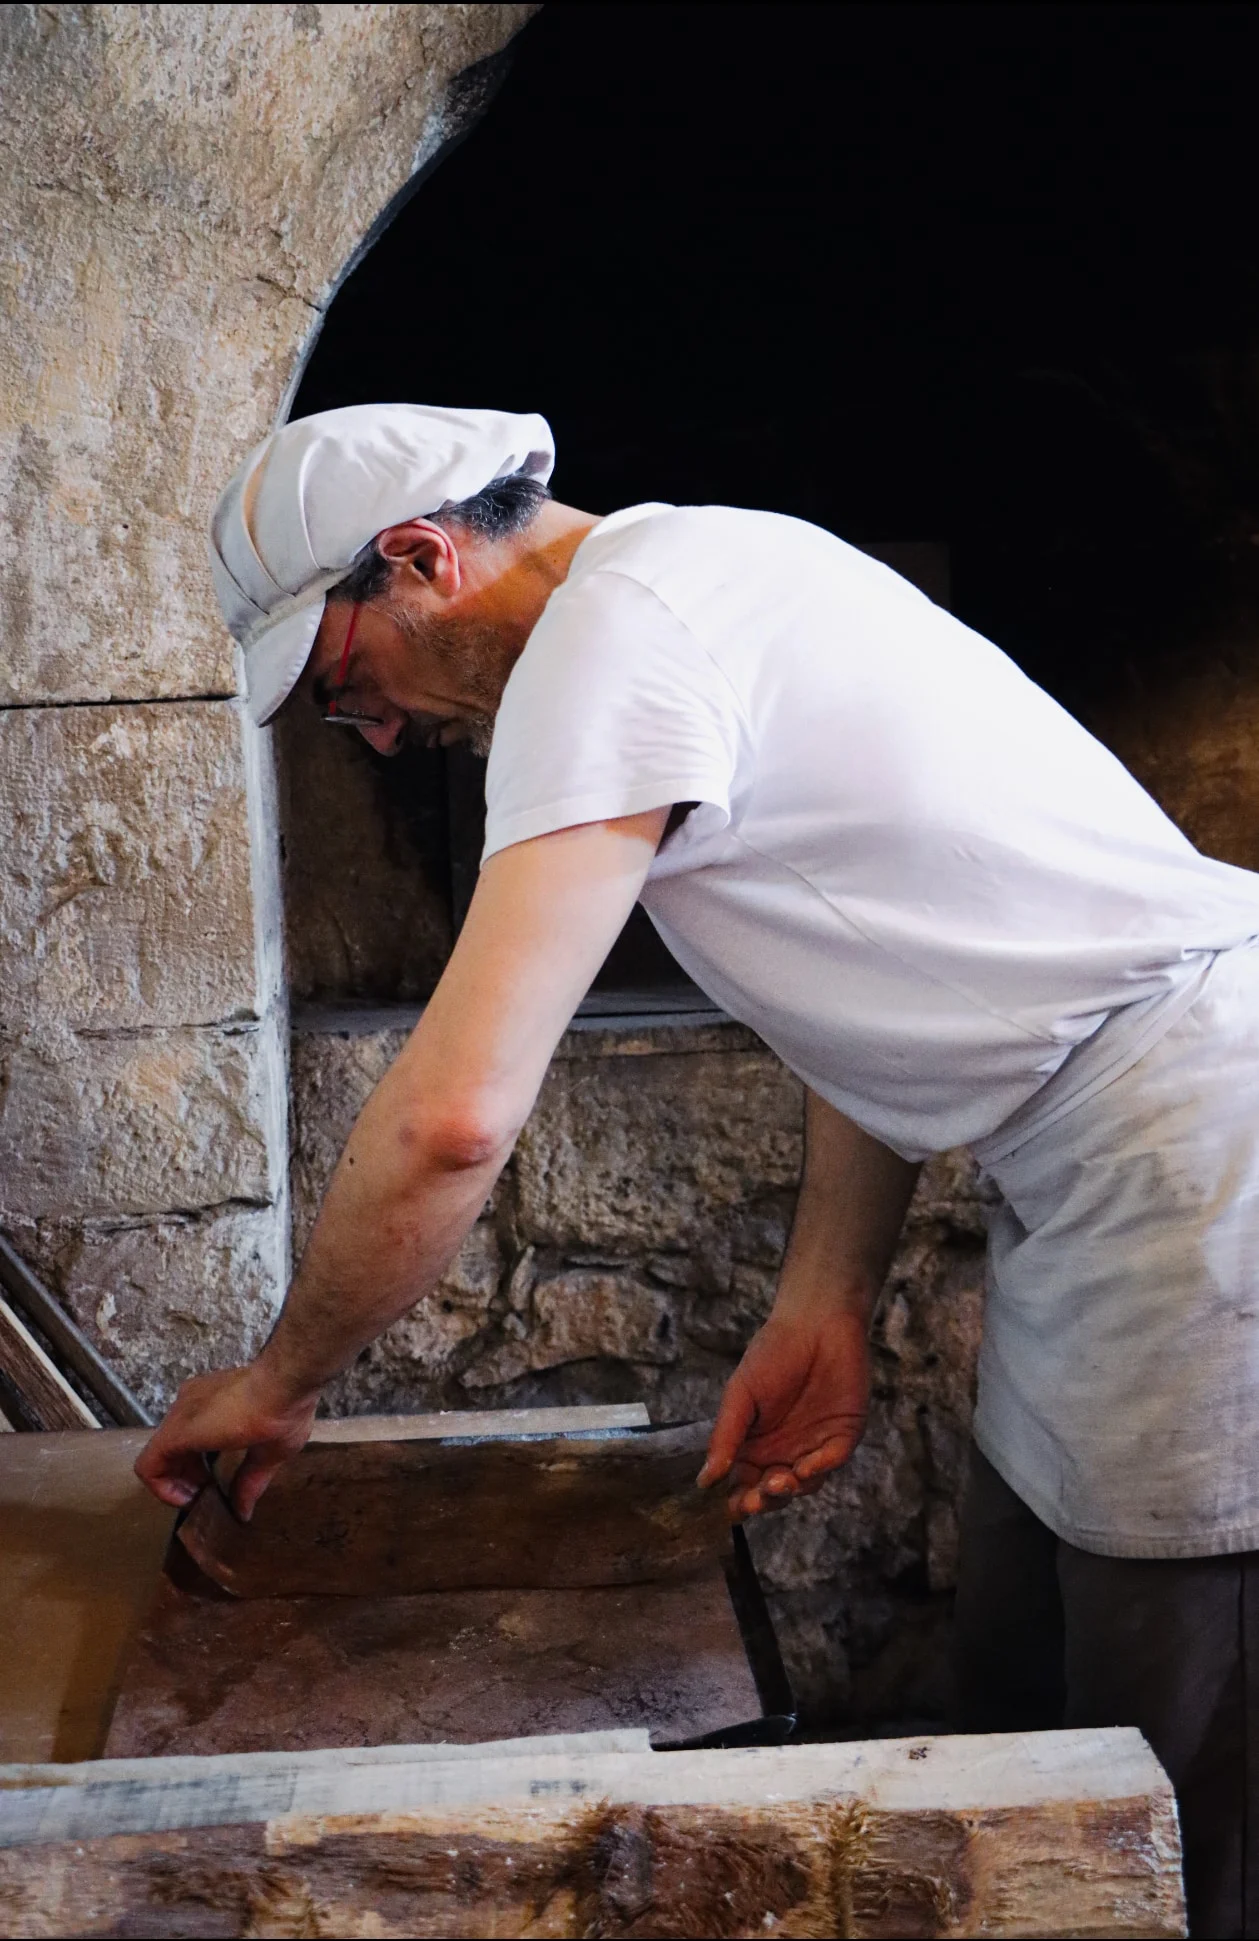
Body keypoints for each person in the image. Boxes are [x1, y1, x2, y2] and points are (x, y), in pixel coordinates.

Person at [139, 403, 1259, 1935]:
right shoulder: (710, 564)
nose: (378, 733)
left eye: (347, 686)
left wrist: (280, 1383)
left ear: (418, 559)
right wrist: (824, 1299)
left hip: (1201, 1156)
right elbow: (874, 979)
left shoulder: (606, 648)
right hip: (1097, 1172)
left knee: (1164, 1779)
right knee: (1025, 1700)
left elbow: (454, 1119)